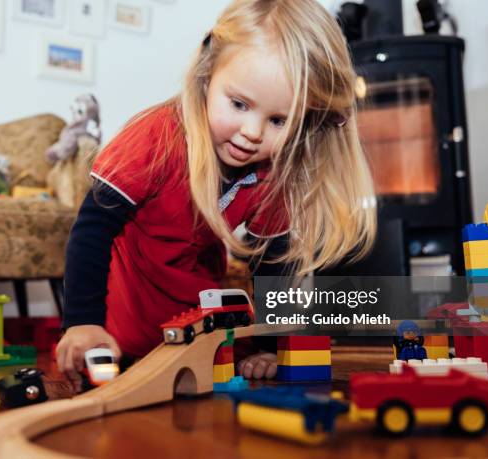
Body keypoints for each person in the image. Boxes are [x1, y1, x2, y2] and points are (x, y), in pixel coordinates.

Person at [56, 0, 376, 392]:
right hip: (120, 319)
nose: (252, 132)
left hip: (194, 321)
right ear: (207, 77)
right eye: (239, 104)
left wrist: (270, 346)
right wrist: (82, 323)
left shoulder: (270, 172)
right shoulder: (156, 139)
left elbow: (273, 259)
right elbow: (92, 229)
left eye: (279, 120)